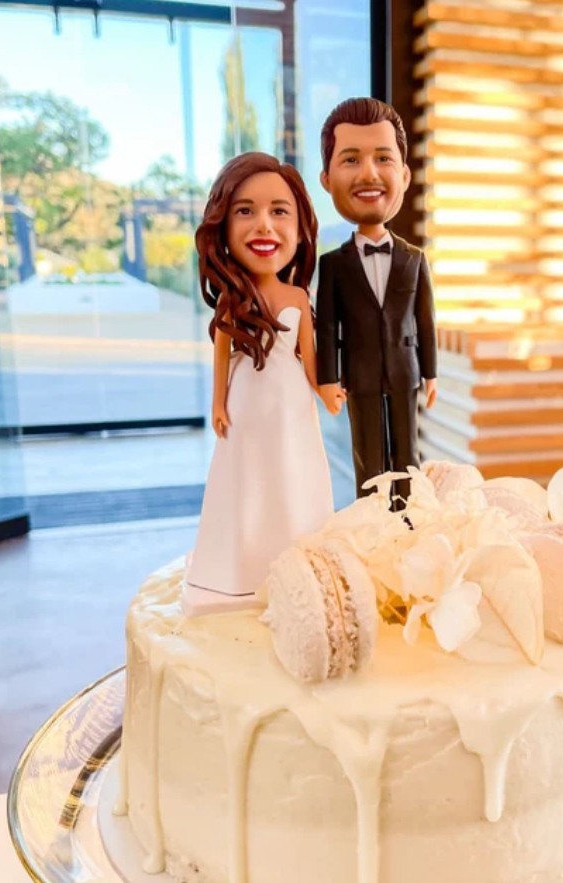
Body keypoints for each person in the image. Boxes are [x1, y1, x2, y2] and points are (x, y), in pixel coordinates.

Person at [186, 152, 336, 598]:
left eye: (279, 211)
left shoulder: (297, 297)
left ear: (301, 228)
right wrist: (217, 403)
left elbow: (310, 358)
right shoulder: (232, 302)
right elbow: (221, 356)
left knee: (292, 471)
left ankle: (299, 563)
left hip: (291, 405)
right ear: (223, 227)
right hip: (246, 403)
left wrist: (326, 391)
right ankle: (245, 567)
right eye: (245, 211)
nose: (264, 225)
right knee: (248, 479)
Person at [316, 97, 437, 505]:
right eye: (350, 160)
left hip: (406, 371)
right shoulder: (332, 265)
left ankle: (409, 518)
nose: (368, 173)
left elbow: (426, 323)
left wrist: (432, 372)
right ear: (326, 178)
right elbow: (327, 326)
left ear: (404, 174)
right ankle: (371, 518)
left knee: (407, 453)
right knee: (368, 453)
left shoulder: (415, 259)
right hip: (360, 374)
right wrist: (327, 378)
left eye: (383, 158)